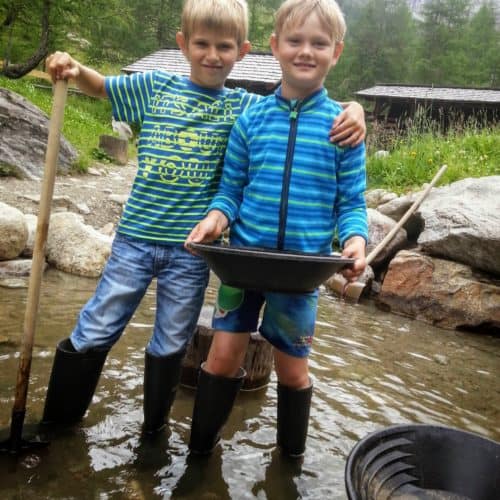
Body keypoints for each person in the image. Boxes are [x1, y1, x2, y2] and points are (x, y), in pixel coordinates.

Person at [41, 0, 366, 437]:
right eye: (202, 44)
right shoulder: (174, 93)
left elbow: (302, 112)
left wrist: (355, 109)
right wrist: (74, 69)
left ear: (245, 51)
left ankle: (155, 435)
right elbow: (102, 88)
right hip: (152, 242)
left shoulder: (250, 108)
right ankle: (58, 429)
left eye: (225, 47)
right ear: (183, 44)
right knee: (99, 325)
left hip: (212, 258)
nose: (213, 55)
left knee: (178, 342)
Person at [185, 0, 368, 457]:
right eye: (295, 41)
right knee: (222, 357)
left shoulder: (342, 128)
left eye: (319, 43)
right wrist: (214, 219)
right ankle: (199, 455)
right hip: (242, 266)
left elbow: (351, 203)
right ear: (274, 47)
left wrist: (355, 240)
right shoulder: (251, 120)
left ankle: (290, 464)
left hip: (301, 275)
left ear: (336, 52)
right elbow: (230, 191)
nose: (306, 51)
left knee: (292, 371)